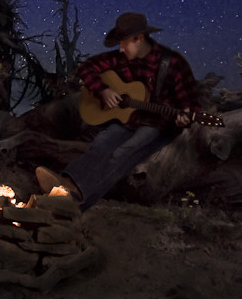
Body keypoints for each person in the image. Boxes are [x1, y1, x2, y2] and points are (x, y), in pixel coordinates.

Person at [36, 12, 201, 211]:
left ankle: (78, 200)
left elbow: (190, 102)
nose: (120, 49)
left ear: (139, 39)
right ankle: (66, 183)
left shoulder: (173, 63)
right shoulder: (121, 59)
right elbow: (87, 68)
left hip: (158, 125)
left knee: (124, 152)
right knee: (102, 142)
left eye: (124, 43)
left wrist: (185, 116)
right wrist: (103, 90)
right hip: (131, 119)